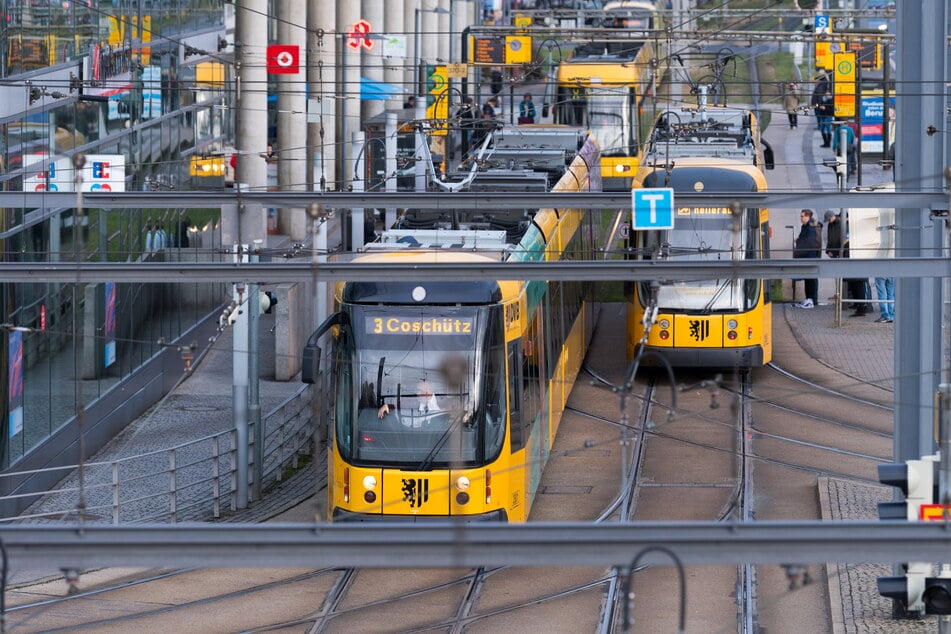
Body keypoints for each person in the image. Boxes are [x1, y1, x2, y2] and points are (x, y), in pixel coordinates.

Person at [793, 209, 821, 308]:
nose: (800, 218)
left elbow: (809, 243)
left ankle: (812, 299)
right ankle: (809, 298)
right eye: (800, 216)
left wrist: (800, 252)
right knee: (808, 279)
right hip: (807, 256)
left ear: (807, 217)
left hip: (809, 256)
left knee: (811, 279)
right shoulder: (805, 227)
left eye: (802, 216)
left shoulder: (810, 228)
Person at [842, 237, 871, 317]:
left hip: (857, 269)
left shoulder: (855, 242)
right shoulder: (851, 242)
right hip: (855, 269)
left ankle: (861, 307)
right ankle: (859, 306)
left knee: (859, 288)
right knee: (856, 287)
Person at [824, 210, 843, 300]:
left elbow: (840, 239)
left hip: (839, 253)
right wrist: (828, 250)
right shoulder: (830, 224)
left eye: (828, 219)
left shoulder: (840, 223)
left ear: (832, 217)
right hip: (834, 252)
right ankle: (837, 293)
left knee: (840, 274)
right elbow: (829, 238)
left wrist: (837, 251)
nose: (828, 221)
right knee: (836, 274)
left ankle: (840, 294)